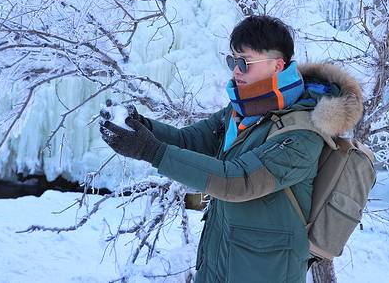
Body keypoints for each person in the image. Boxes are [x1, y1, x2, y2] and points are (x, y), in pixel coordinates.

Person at [100, 15, 363, 283]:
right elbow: (190, 141)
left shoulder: (303, 132)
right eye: (232, 61)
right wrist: (141, 127)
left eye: (244, 62)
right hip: (219, 261)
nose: (236, 71)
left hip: (266, 273)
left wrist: (151, 151)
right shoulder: (242, 111)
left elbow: (237, 180)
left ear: (277, 65)